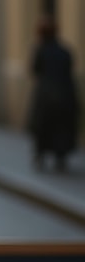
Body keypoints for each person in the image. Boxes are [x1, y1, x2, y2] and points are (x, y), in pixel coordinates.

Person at [26, 15, 79, 171]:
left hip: (46, 94)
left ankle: (41, 154)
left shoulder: (40, 50)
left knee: (43, 126)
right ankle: (60, 156)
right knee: (61, 126)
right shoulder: (65, 51)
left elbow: (34, 70)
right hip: (65, 92)